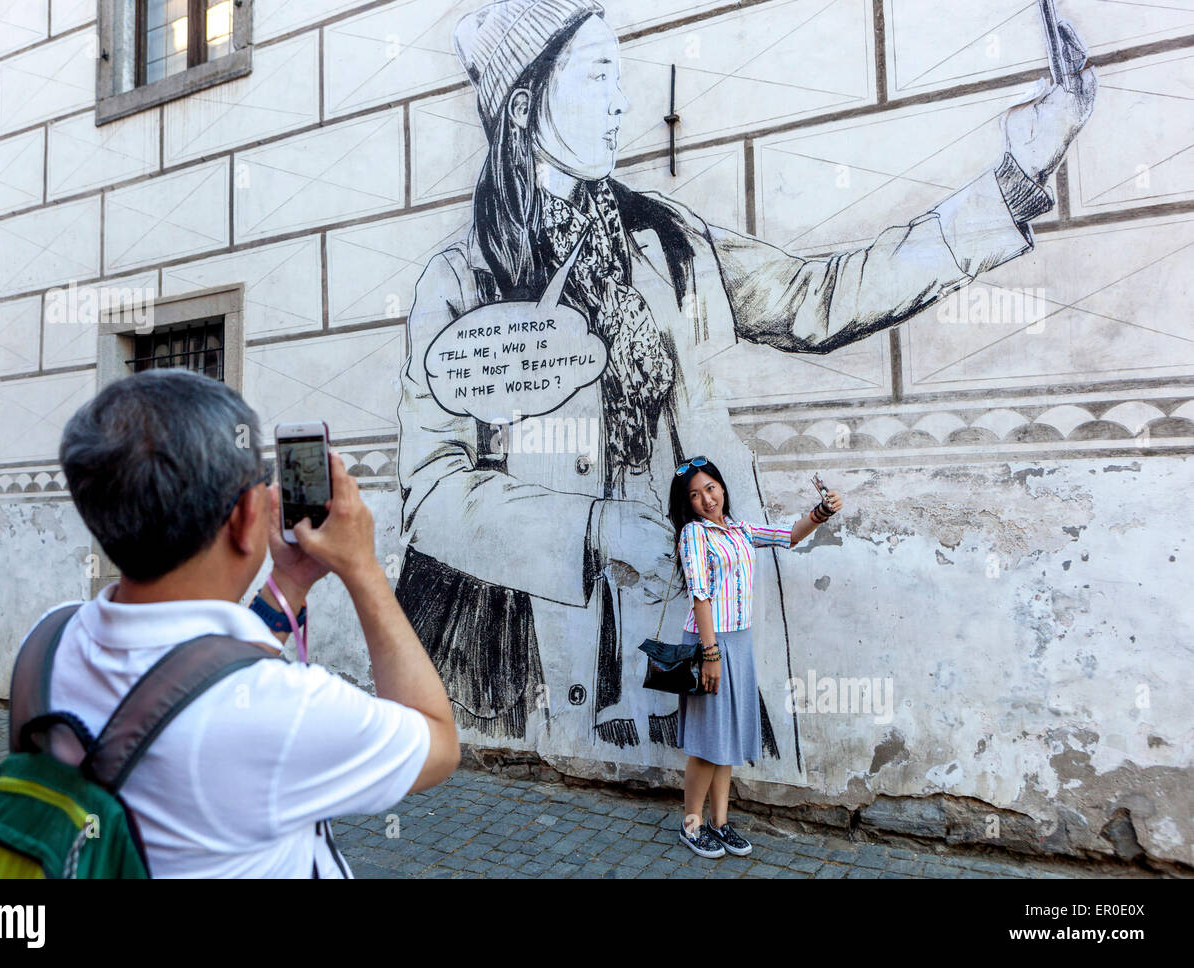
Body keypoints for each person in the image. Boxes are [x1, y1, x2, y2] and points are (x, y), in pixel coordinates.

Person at [395, 0, 1095, 765]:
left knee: (708, 751)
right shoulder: (462, 279)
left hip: (670, 598)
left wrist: (1010, 181)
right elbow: (431, 492)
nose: (622, 100)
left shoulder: (667, 240)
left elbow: (815, 299)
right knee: (540, 803)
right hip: (528, 631)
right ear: (526, 104)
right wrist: (594, 531)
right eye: (597, 76)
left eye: (620, 76)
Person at [34, 368, 459, 877]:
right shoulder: (286, 710)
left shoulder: (46, 643)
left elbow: (199, 667)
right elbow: (437, 742)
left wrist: (290, 582)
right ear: (241, 517)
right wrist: (363, 568)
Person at [667, 455, 842, 858]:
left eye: (710, 488)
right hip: (708, 642)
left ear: (722, 487)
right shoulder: (694, 535)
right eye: (695, 495)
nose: (706, 499)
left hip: (739, 642)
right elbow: (700, 595)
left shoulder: (740, 529)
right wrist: (710, 653)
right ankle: (691, 826)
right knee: (707, 739)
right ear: (687, 503)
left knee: (725, 737)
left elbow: (789, 535)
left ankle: (720, 823)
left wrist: (821, 512)